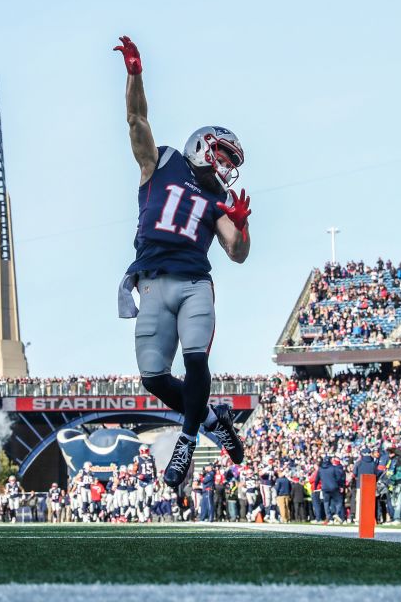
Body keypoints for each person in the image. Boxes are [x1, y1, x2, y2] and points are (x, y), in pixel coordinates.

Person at [113, 35, 252, 488]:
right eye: (223, 155)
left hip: (194, 282)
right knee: (153, 377)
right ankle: (214, 420)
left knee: (195, 362)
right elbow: (136, 119)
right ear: (202, 145)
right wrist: (135, 73)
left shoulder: (219, 198)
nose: (226, 167)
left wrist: (242, 225)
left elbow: (236, 252)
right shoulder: (163, 161)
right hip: (151, 282)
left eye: (231, 161)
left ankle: (188, 440)